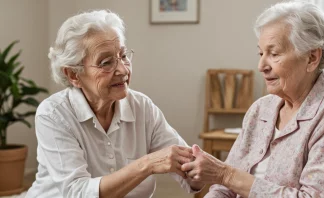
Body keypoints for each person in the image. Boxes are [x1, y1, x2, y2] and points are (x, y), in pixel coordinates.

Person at [181, 1, 324, 197]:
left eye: (274, 54)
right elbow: (223, 188)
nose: (261, 65)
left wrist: (226, 174)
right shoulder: (261, 109)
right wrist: (224, 180)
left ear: (312, 58)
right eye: (261, 53)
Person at [26, 10, 204, 198]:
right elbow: (76, 192)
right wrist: (147, 164)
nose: (122, 69)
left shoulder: (142, 107)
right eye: (106, 62)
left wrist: (198, 170)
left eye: (124, 56)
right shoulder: (53, 114)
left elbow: (191, 173)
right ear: (73, 74)